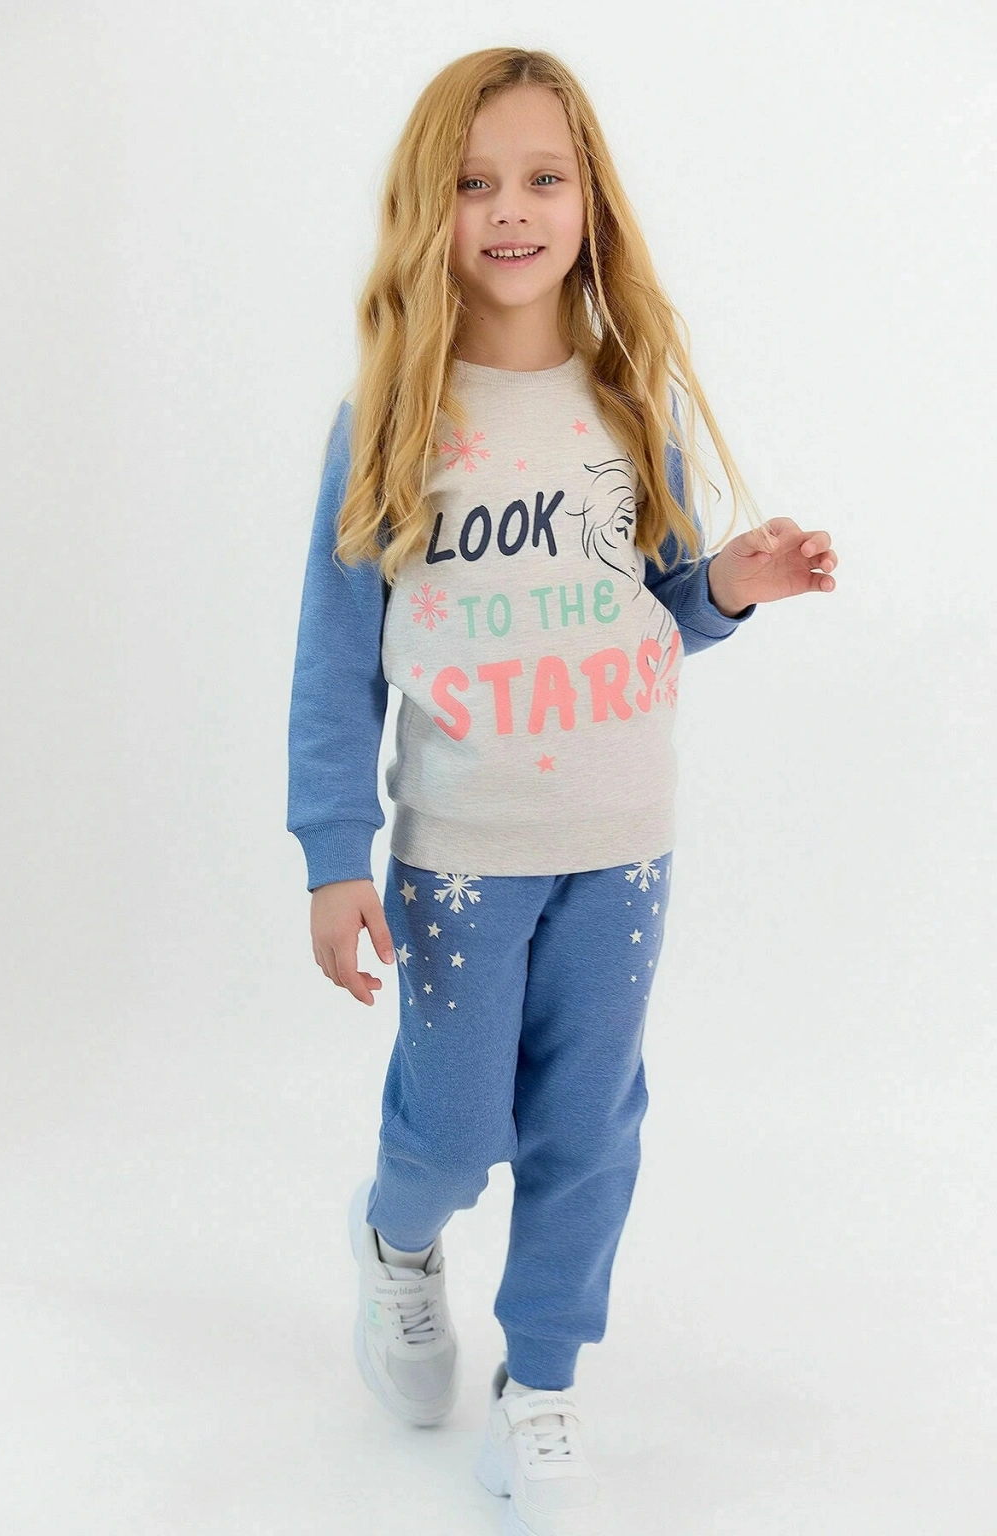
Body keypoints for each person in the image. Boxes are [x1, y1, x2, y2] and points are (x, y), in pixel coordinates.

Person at [286, 46, 838, 1536]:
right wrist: (334, 853)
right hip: (462, 856)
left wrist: (734, 584)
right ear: (431, 209)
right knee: (455, 1130)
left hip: (624, 845)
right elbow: (335, 663)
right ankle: (399, 1241)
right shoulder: (391, 417)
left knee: (589, 1125)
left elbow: (652, 606)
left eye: (543, 178)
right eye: (476, 184)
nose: (512, 211)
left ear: (589, 199)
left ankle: (541, 1386)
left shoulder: (628, 404)